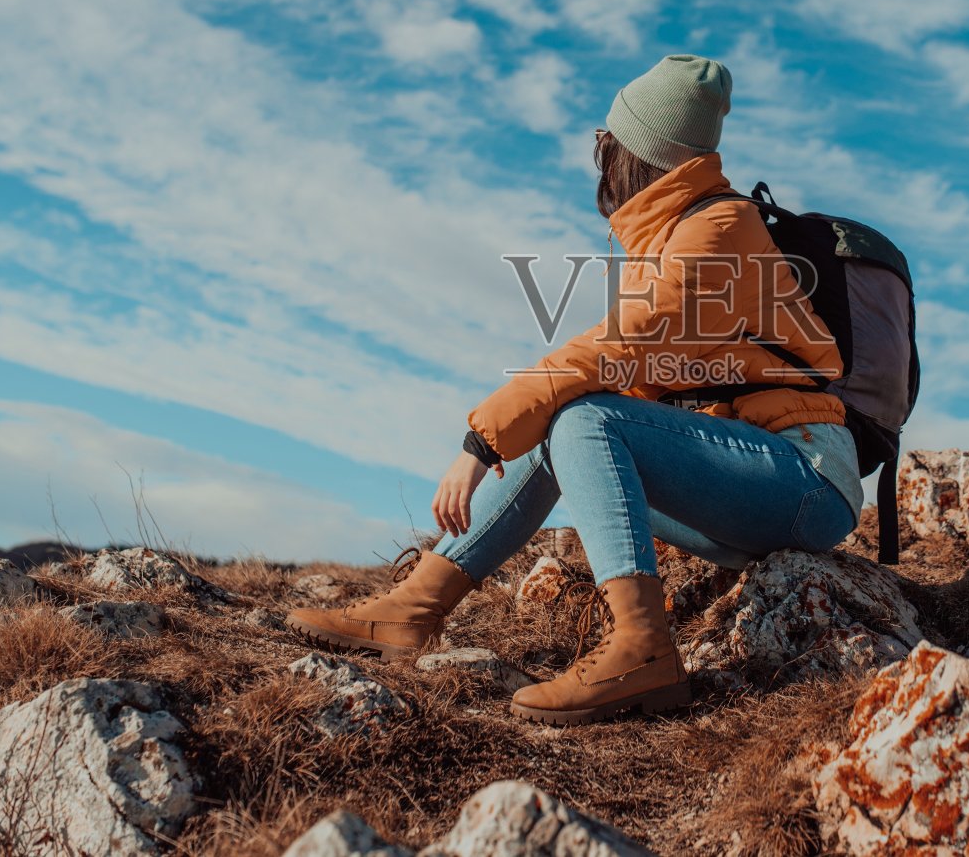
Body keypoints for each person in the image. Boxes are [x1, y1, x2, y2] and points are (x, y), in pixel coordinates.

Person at [287, 54, 864, 725]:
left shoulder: (719, 228)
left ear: (638, 151)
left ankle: (642, 649)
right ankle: (416, 608)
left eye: (606, 140)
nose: (601, 153)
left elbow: (621, 344)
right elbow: (649, 377)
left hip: (802, 477)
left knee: (584, 416)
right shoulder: (677, 232)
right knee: (571, 420)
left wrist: (482, 438)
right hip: (750, 483)